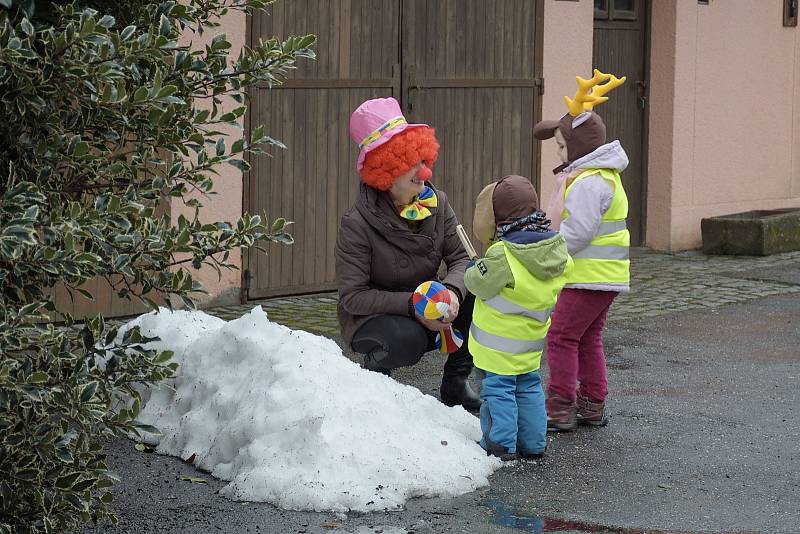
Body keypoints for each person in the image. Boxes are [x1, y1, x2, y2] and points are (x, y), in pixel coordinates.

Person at [335, 97, 481, 411]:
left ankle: (456, 381)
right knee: (407, 339)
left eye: (423, 159)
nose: (424, 171)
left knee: (481, 290)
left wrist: (453, 292)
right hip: (377, 318)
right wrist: (416, 305)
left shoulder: (438, 203)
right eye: (412, 164)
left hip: (432, 303)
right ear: (385, 171)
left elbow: (461, 258)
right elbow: (353, 297)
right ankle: (374, 377)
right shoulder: (356, 224)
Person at [533, 70, 630, 431]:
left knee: (561, 336)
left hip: (587, 276)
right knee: (587, 338)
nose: (558, 153)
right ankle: (593, 403)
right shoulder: (600, 176)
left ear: (579, 148)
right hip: (604, 277)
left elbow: (579, 232)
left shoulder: (590, 182)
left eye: (562, 146)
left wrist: (550, 253)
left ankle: (559, 405)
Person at [464, 175, 572, 460]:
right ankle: (534, 443)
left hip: (499, 347)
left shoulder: (503, 253)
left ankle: (501, 444)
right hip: (531, 342)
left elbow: (478, 283)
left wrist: (475, 267)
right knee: (528, 388)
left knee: (498, 391)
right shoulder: (555, 249)